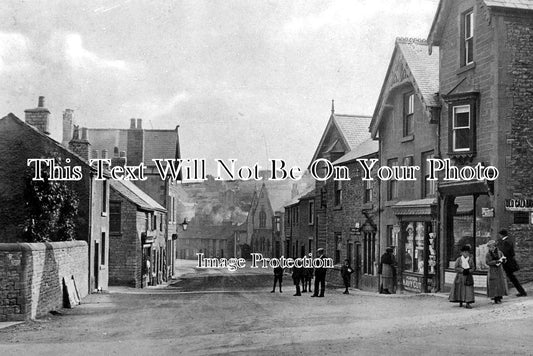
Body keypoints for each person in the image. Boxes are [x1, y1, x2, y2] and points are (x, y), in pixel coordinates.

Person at [498, 229, 527, 297]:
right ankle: (521, 291)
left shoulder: (506, 242)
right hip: (508, 262)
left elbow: (505, 252)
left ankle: (522, 292)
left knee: (511, 278)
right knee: (511, 277)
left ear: (501, 235)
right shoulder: (508, 241)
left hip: (507, 263)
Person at [485, 240, 508, 304]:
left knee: (500, 284)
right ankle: (495, 298)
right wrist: (495, 262)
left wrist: (503, 260)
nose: (491, 248)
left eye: (492, 247)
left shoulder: (500, 252)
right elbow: (487, 262)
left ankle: (499, 297)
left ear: (494, 246)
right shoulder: (488, 254)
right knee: (494, 284)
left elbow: (504, 259)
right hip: (492, 270)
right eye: (489, 247)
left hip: (499, 270)